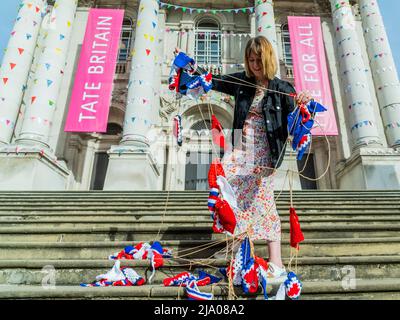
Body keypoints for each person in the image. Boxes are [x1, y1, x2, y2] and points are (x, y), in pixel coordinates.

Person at [208, 36, 312, 281]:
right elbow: (213, 80)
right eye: (250, 60)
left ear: (267, 59)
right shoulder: (242, 82)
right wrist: (188, 65)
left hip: (264, 150)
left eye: (258, 60)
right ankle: (239, 253)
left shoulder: (283, 89)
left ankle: (275, 261)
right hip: (240, 147)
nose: (254, 65)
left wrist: (301, 103)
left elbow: (297, 122)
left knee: (263, 199)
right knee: (226, 191)